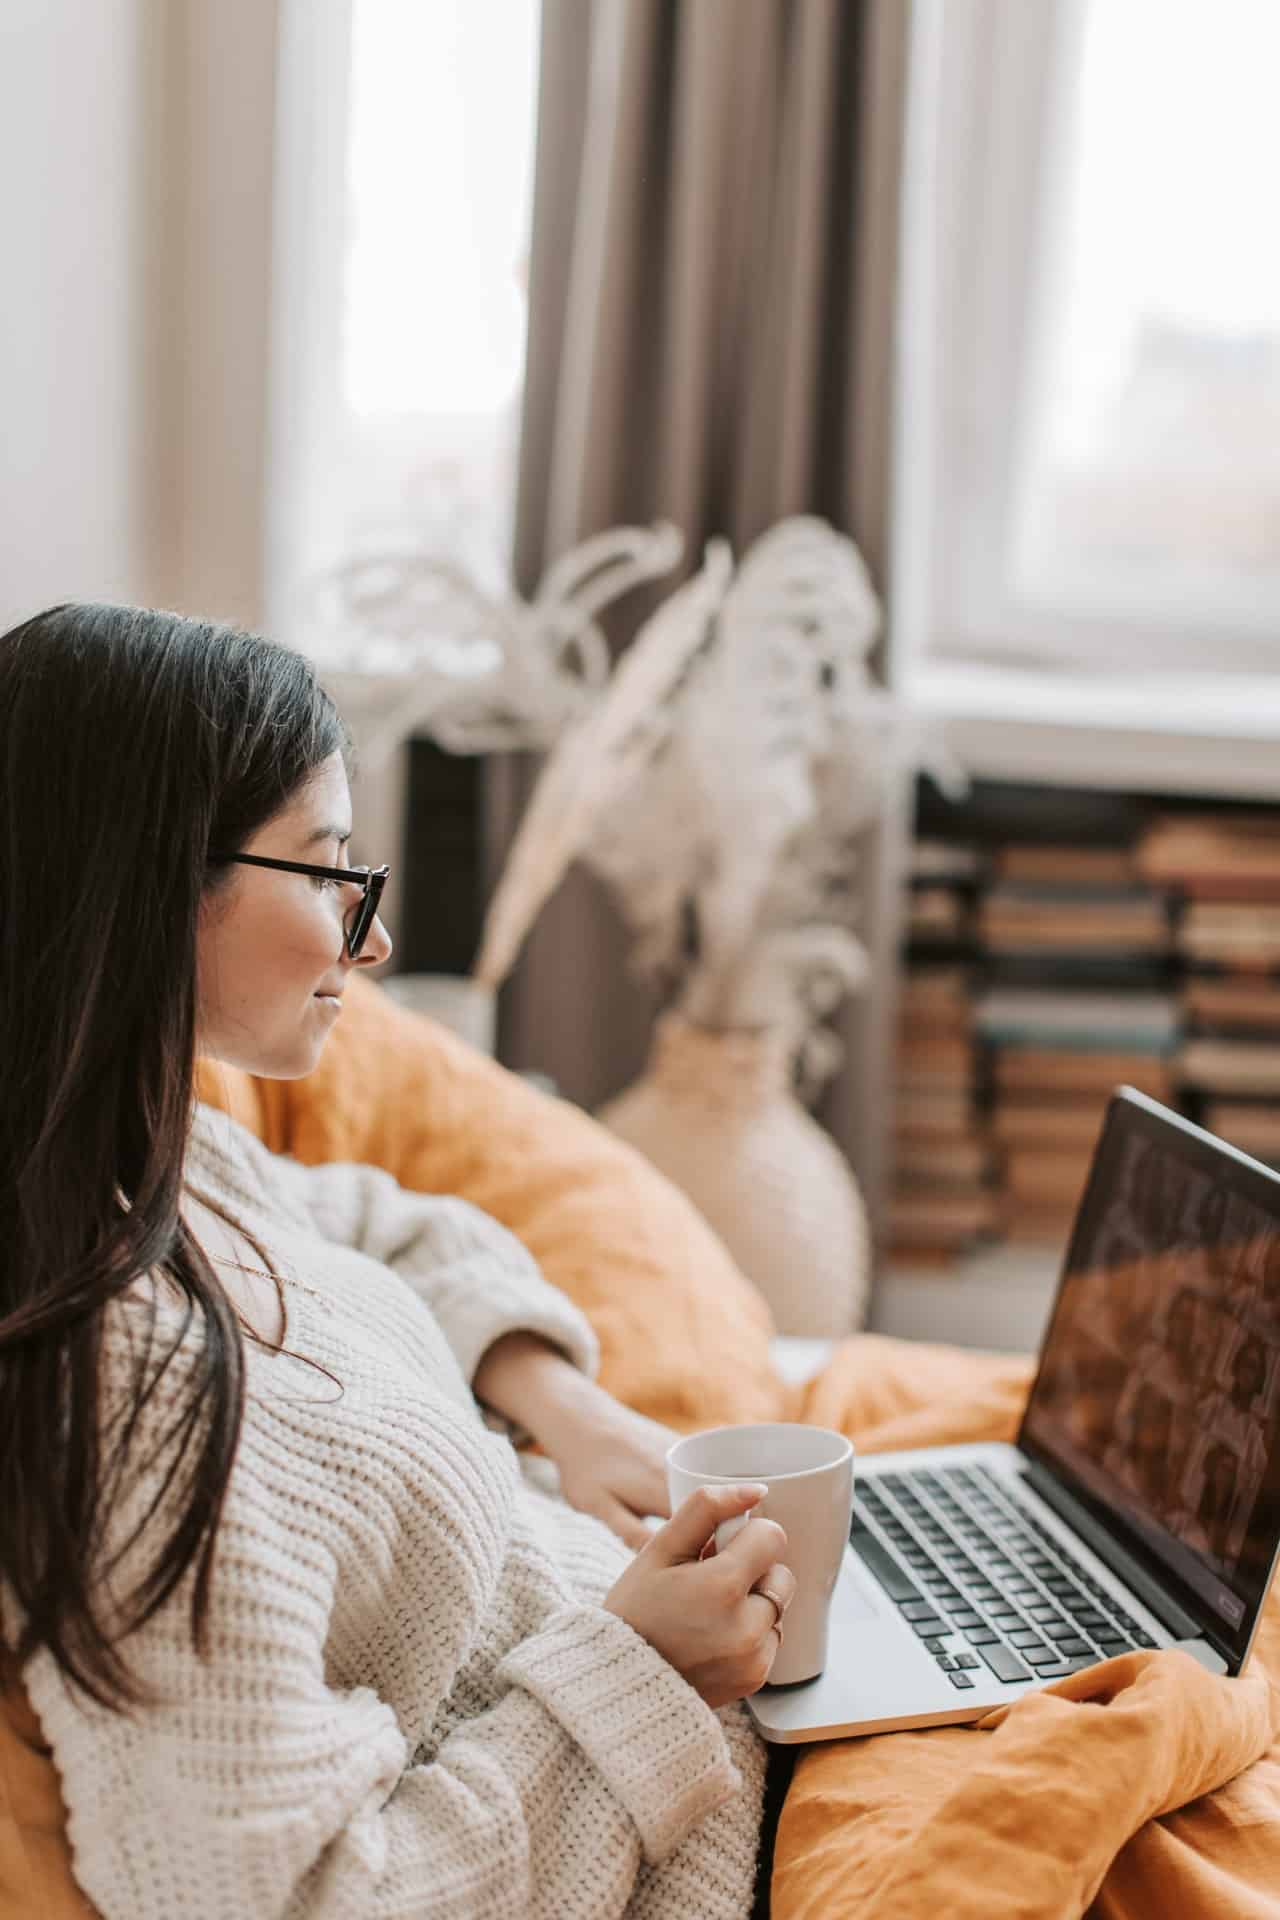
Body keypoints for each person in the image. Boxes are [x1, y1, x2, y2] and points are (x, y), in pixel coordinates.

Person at [0, 605, 797, 1920]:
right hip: (704, 1847)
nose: (367, 941)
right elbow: (311, 1902)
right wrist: (640, 1669)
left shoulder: (138, 1152)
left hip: (700, 1686)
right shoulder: (134, 1416)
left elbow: (384, 1227)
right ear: (151, 888)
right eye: (326, 872)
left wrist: (560, 1400)